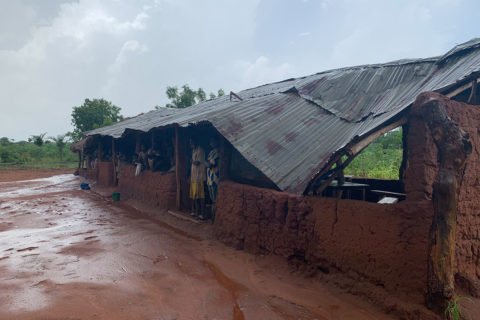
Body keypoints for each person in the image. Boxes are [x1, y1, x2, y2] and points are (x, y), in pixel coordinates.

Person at [189, 138, 206, 219]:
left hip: (199, 177)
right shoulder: (194, 151)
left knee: (201, 196)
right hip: (194, 177)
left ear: (195, 142)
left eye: (191, 143)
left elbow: (197, 162)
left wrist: (191, 161)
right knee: (195, 196)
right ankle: (196, 212)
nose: (190, 145)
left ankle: (202, 214)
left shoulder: (200, 150)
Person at [206, 138, 220, 205]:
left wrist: (208, 163)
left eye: (212, 141)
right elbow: (208, 163)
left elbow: (213, 163)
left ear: (216, 142)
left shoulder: (218, 151)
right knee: (212, 198)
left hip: (215, 177)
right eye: (210, 141)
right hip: (209, 177)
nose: (210, 143)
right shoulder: (211, 152)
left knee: (215, 198)